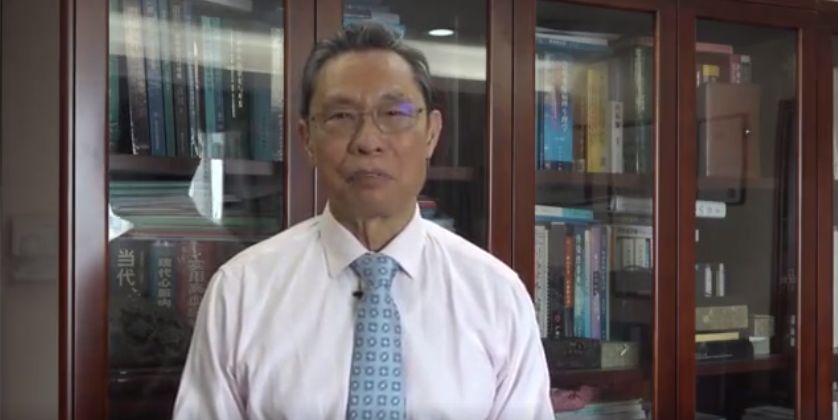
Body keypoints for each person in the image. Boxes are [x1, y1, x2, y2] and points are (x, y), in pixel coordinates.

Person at [172, 20, 553, 420]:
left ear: (431, 133)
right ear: (306, 139)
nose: (368, 141)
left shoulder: (496, 296)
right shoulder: (241, 292)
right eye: (341, 116)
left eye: (395, 113)